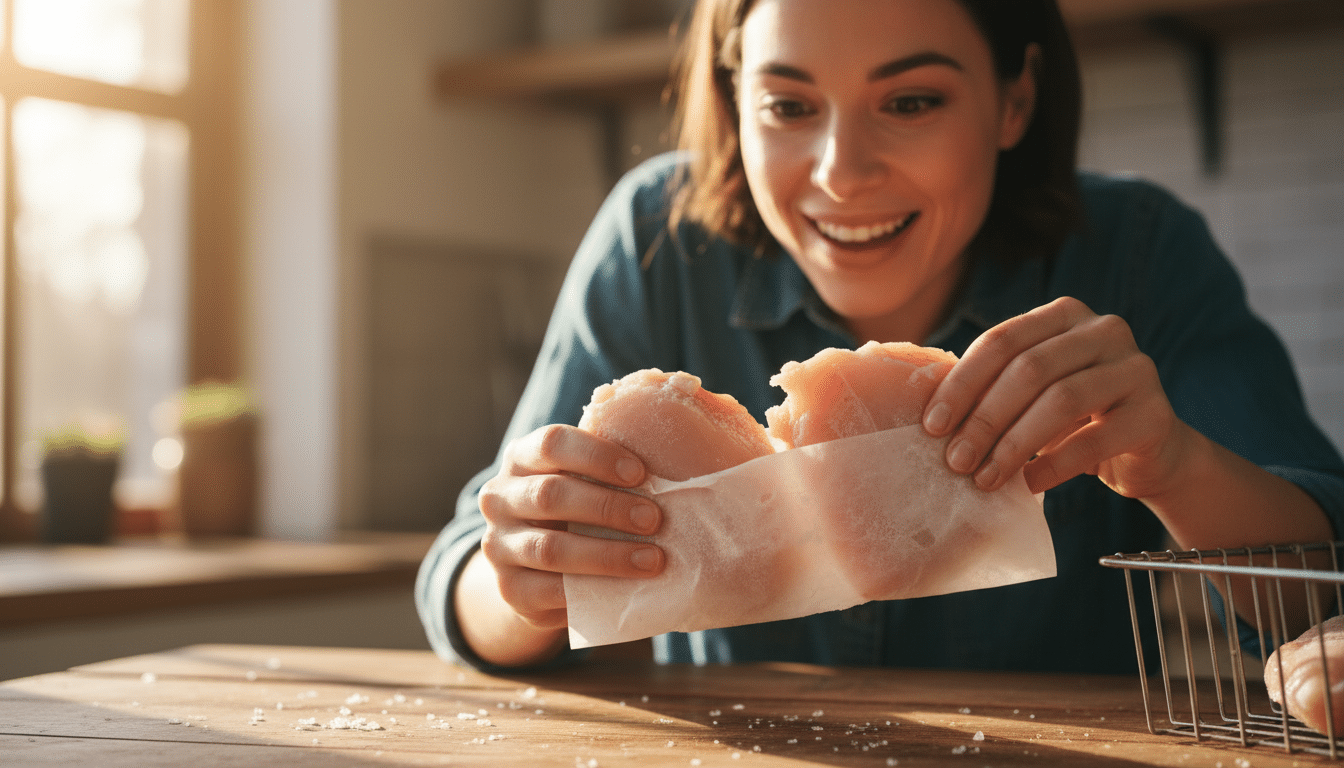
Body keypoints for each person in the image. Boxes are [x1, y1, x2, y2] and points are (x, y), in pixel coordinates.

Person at [416, 0, 1344, 673]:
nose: (842, 173)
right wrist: (522, 577)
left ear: (1015, 100)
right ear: (736, 107)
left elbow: (1321, 593)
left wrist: (1173, 465)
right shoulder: (655, 238)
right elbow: (467, 579)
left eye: (911, 102)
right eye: (789, 106)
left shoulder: (1136, 250)